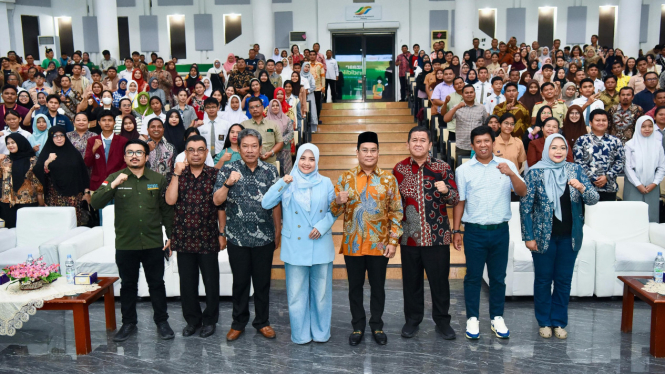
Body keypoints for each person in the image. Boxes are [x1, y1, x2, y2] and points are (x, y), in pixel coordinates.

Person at [90, 138, 174, 342]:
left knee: (157, 284)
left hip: (153, 242)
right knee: (128, 285)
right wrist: (114, 185)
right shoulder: (115, 177)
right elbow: (95, 202)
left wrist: (172, 236)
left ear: (146, 156)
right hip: (126, 244)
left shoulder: (158, 179)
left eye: (139, 152)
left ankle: (162, 322)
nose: (134, 155)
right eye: (130, 152)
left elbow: (166, 211)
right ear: (125, 156)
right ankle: (128, 323)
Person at [521, 133, 599, 340]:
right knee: (543, 281)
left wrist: (582, 188)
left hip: (570, 237)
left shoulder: (575, 170)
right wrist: (528, 236)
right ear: (546, 149)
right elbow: (525, 207)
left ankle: (559, 322)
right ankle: (544, 321)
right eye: (554, 147)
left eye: (562, 148)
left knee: (564, 281)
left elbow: (593, 199)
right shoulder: (535, 173)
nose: (558, 151)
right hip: (542, 237)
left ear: (567, 150)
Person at [452, 125, 527, 340]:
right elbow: (460, 202)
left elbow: (522, 192)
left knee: (498, 278)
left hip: (500, 231)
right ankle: (472, 318)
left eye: (487, 141)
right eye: (478, 142)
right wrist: (456, 230)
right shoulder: (463, 170)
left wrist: (511, 173)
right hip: (474, 232)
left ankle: (497, 317)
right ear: (472, 145)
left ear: (493, 143)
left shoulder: (507, 165)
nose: (483, 145)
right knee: (473, 277)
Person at [330, 131, 403, 346]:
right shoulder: (345, 178)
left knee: (378, 286)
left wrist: (393, 241)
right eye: (365, 150)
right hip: (353, 244)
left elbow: (396, 211)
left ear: (378, 152)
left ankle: (377, 325)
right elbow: (333, 211)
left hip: (379, 245)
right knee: (355, 287)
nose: (369, 154)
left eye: (373, 150)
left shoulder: (389, 179)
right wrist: (337, 200)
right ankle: (358, 326)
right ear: (357, 152)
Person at [261, 144, 335, 344]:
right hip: (294, 246)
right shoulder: (287, 182)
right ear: (297, 160)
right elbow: (266, 203)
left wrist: (322, 225)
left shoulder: (326, 182)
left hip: (320, 243)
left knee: (321, 294)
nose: (307, 163)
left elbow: (334, 210)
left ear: (317, 161)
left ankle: (321, 332)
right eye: (303, 158)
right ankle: (300, 335)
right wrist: (282, 183)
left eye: (312, 159)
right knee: (296, 295)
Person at [213, 128, 281, 342]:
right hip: (237, 237)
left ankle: (263, 322)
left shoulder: (271, 171)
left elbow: (277, 203)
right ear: (238, 148)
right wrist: (228, 183)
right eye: (245, 146)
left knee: (262, 283)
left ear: (261, 148)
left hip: (264, 237)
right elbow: (217, 202)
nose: (250, 150)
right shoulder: (228, 169)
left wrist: (278, 229)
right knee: (240, 282)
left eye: (254, 146)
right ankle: (238, 323)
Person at [392, 126, 458, 340]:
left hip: (437, 237)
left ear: (430, 144)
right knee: (411, 283)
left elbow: (455, 199)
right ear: (407, 144)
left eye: (422, 140)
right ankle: (412, 320)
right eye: (414, 140)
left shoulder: (443, 167)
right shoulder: (399, 169)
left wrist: (446, 191)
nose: (418, 143)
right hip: (409, 237)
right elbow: (394, 204)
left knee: (440, 282)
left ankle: (442, 321)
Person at [165, 135, 221, 338]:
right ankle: (192, 321)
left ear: (207, 153)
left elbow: (221, 206)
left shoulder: (216, 175)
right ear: (185, 153)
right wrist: (176, 175)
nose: (196, 153)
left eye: (200, 149)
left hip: (208, 237)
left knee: (211, 283)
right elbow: (170, 201)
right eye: (191, 150)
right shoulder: (178, 174)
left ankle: (210, 320)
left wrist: (222, 233)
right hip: (184, 237)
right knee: (187, 284)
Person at [33, 125, 90, 225]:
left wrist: (86, 192)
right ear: (51, 137)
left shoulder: (74, 153)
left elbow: (83, 172)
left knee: (73, 222)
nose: (59, 138)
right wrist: (47, 162)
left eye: (61, 135)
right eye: (55, 136)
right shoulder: (47, 152)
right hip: (54, 195)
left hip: (74, 195)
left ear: (65, 136)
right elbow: (37, 171)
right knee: (57, 223)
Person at [574, 109, 625, 201]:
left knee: (608, 215)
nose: (601, 123)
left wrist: (607, 177)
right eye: (597, 120)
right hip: (587, 187)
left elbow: (620, 162)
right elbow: (578, 162)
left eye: (604, 120)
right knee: (588, 215)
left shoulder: (615, 141)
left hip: (609, 188)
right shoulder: (582, 140)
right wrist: (593, 178)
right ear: (590, 122)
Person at [623, 116, 665, 222]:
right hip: (633, 186)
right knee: (632, 217)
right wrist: (638, 184)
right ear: (637, 127)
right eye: (643, 126)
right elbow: (627, 167)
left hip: (652, 186)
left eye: (650, 126)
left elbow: (661, 166)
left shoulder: (658, 145)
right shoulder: (630, 145)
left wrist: (655, 183)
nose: (647, 129)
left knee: (651, 216)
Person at [0, 134, 43, 228]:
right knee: (10, 232)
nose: (10, 145)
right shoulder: (4, 160)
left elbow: (38, 183)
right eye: (8, 143)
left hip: (27, 202)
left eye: (13, 142)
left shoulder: (33, 160)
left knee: (27, 231)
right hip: (7, 202)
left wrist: (41, 201)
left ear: (20, 143)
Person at [442, 84, 488, 165]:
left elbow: (485, 124)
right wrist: (456, 108)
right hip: (462, 146)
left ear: (475, 94)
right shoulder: (457, 107)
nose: (469, 94)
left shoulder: (481, 108)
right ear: (462, 95)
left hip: (479, 146)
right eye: (467, 93)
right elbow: (446, 119)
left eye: (471, 92)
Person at [84, 110, 129, 191]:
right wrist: (94, 149)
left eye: (110, 120)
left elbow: (126, 162)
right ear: (99, 123)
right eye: (104, 120)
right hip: (97, 184)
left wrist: (118, 177)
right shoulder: (92, 140)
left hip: (117, 182)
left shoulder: (123, 141)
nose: (107, 123)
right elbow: (87, 163)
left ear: (115, 122)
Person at [241, 97, 283, 167]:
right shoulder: (243, 125)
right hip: (249, 165)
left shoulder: (273, 124)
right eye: (252, 107)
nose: (255, 109)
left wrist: (271, 152)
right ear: (249, 110)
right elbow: (239, 145)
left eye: (257, 106)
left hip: (270, 164)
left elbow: (280, 142)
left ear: (262, 107)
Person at [265, 99, 293, 175]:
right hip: (271, 149)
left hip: (284, 149)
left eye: (277, 105)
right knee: (272, 172)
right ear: (270, 107)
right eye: (273, 106)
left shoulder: (287, 119)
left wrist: (280, 141)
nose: (275, 107)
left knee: (286, 173)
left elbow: (291, 133)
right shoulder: (265, 121)